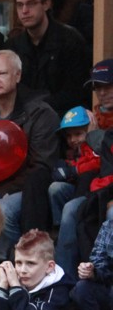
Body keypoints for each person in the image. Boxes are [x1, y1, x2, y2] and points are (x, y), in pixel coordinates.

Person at [0, 50, 60, 242]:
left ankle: (13, 258)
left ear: (17, 75)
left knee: (2, 212)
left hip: (28, 192)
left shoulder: (40, 113)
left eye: (1, 73)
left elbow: (41, 166)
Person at [6, 0, 89, 116]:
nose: (24, 11)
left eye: (31, 3)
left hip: (65, 118)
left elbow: (77, 91)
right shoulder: (13, 46)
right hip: (23, 118)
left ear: (46, 4)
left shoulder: (70, 40)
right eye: (20, 5)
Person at [51, 106, 99, 273]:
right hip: (79, 190)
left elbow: (97, 162)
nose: (73, 139)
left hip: (96, 194)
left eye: (78, 134)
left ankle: (64, 272)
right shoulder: (74, 150)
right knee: (55, 189)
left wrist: (74, 170)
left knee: (70, 208)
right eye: (69, 135)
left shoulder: (97, 142)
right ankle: (60, 232)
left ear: (90, 129)